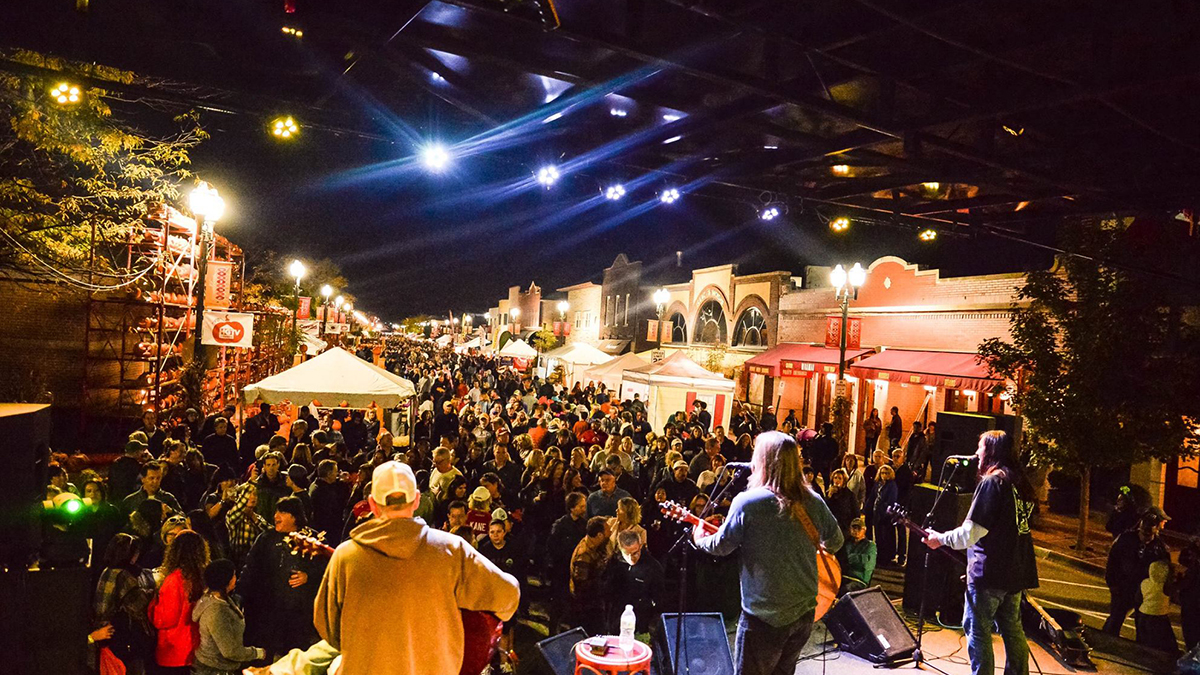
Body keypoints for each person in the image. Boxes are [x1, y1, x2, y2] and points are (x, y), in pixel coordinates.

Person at [313, 461, 520, 675]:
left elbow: (328, 628)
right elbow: (508, 595)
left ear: (373, 504)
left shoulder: (345, 556)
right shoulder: (451, 549)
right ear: (417, 500)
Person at [692, 431, 843, 675]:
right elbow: (835, 541)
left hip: (765, 616)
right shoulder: (813, 500)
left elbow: (722, 546)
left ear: (763, 461)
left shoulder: (748, 502)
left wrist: (699, 538)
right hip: (804, 612)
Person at [923, 430, 1037, 675]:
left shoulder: (992, 482)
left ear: (992, 452)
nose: (976, 453)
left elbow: (971, 533)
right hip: (1015, 572)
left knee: (978, 630)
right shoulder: (1020, 483)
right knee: (1013, 630)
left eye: (981, 448)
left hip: (990, 573)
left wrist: (939, 539)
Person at [239, 497, 325, 658]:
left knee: (294, 655)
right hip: (267, 613)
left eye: (282, 512)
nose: (276, 516)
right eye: (276, 511)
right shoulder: (266, 539)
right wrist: (240, 596)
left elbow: (327, 569)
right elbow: (250, 568)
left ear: (295, 517)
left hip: (299, 616)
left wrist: (309, 576)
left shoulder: (312, 540)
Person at [94, 534, 156, 675]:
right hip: (125, 638)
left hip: (106, 636)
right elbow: (139, 605)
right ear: (130, 555)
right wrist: (154, 590)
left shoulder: (106, 571)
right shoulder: (124, 576)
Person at [192, 558, 267, 675]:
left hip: (215, 666)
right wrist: (258, 653)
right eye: (233, 575)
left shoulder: (214, 598)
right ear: (225, 581)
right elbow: (230, 651)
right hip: (215, 670)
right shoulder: (217, 612)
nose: (235, 578)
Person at [150, 530, 210, 674]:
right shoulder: (205, 578)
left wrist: (152, 606)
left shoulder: (174, 580)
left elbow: (166, 619)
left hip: (174, 652)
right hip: (197, 649)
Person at [1103, 509, 1170, 635]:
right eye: (1145, 525)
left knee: (1142, 625)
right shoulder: (1125, 539)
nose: (1146, 529)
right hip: (1123, 588)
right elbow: (1112, 562)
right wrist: (1112, 583)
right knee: (1115, 619)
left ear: (1157, 528)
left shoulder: (1160, 548)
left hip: (1144, 593)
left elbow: (1163, 573)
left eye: (1151, 526)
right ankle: (1106, 640)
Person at [604, 528, 667, 633]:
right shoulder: (615, 562)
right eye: (626, 553)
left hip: (641, 625)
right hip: (616, 621)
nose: (631, 558)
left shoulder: (653, 567)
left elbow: (660, 599)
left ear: (640, 546)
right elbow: (607, 590)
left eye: (635, 553)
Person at [570, 516, 612, 636]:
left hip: (595, 600)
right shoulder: (584, 555)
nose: (610, 532)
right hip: (587, 606)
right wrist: (604, 583)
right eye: (608, 530)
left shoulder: (596, 546)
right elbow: (581, 584)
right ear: (599, 535)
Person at [837, 517, 876, 594]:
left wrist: (849, 558)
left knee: (843, 591)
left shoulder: (870, 545)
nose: (856, 531)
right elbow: (840, 559)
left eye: (859, 529)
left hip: (859, 580)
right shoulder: (847, 543)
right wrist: (857, 558)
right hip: (844, 577)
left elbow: (866, 565)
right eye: (854, 528)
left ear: (864, 530)